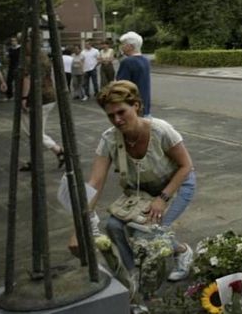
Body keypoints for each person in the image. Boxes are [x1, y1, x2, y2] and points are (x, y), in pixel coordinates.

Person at [75, 80, 196, 282]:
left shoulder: (160, 130)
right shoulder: (109, 139)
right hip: (140, 191)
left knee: (150, 232)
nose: (117, 120)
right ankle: (131, 273)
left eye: (121, 112)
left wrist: (162, 199)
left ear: (136, 106)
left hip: (177, 185)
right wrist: (81, 223)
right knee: (113, 226)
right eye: (111, 115)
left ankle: (182, 251)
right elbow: (95, 182)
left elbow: (186, 166)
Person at [18, 43, 65, 171]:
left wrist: (23, 98)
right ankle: (36, 159)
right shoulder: (44, 56)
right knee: (37, 131)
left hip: (35, 98)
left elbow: (27, 78)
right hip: (49, 95)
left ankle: (58, 150)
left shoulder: (29, 59)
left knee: (33, 131)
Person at [116, 31, 152, 117]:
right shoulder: (145, 60)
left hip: (131, 106)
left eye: (123, 44)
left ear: (130, 46)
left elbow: (121, 86)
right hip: (144, 104)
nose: (121, 47)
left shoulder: (127, 62)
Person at [5, 35, 22, 101]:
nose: (13, 42)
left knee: (18, 81)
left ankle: (19, 94)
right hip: (11, 66)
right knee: (9, 80)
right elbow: (8, 58)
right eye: (12, 41)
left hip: (18, 65)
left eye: (14, 41)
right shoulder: (10, 49)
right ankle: (9, 95)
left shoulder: (20, 48)